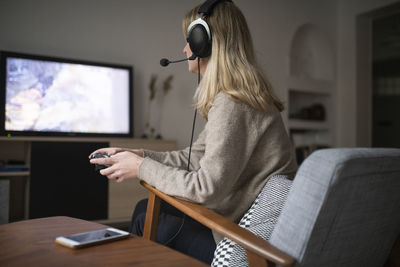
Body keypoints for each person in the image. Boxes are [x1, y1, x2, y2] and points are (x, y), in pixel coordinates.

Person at [89, 0, 298, 264]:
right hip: (235, 220)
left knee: (145, 217)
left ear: (205, 43)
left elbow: (206, 188)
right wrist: (137, 154)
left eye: (190, 40)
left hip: (242, 243)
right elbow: (196, 156)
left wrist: (141, 167)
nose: (185, 48)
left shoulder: (233, 103)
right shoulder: (241, 97)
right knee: (145, 208)